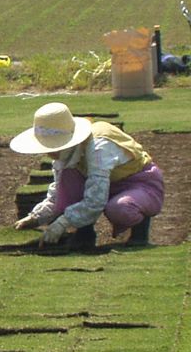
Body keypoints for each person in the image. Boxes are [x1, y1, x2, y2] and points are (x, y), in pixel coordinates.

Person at [10, 102, 164, 248]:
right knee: (68, 176)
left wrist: (63, 223)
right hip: (106, 185)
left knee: (120, 208)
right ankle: (84, 233)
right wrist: (35, 217)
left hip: (139, 183)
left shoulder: (99, 148)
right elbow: (58, 194)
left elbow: (96, 200)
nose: (49, 152)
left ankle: (140, 231)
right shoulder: (65, 157)